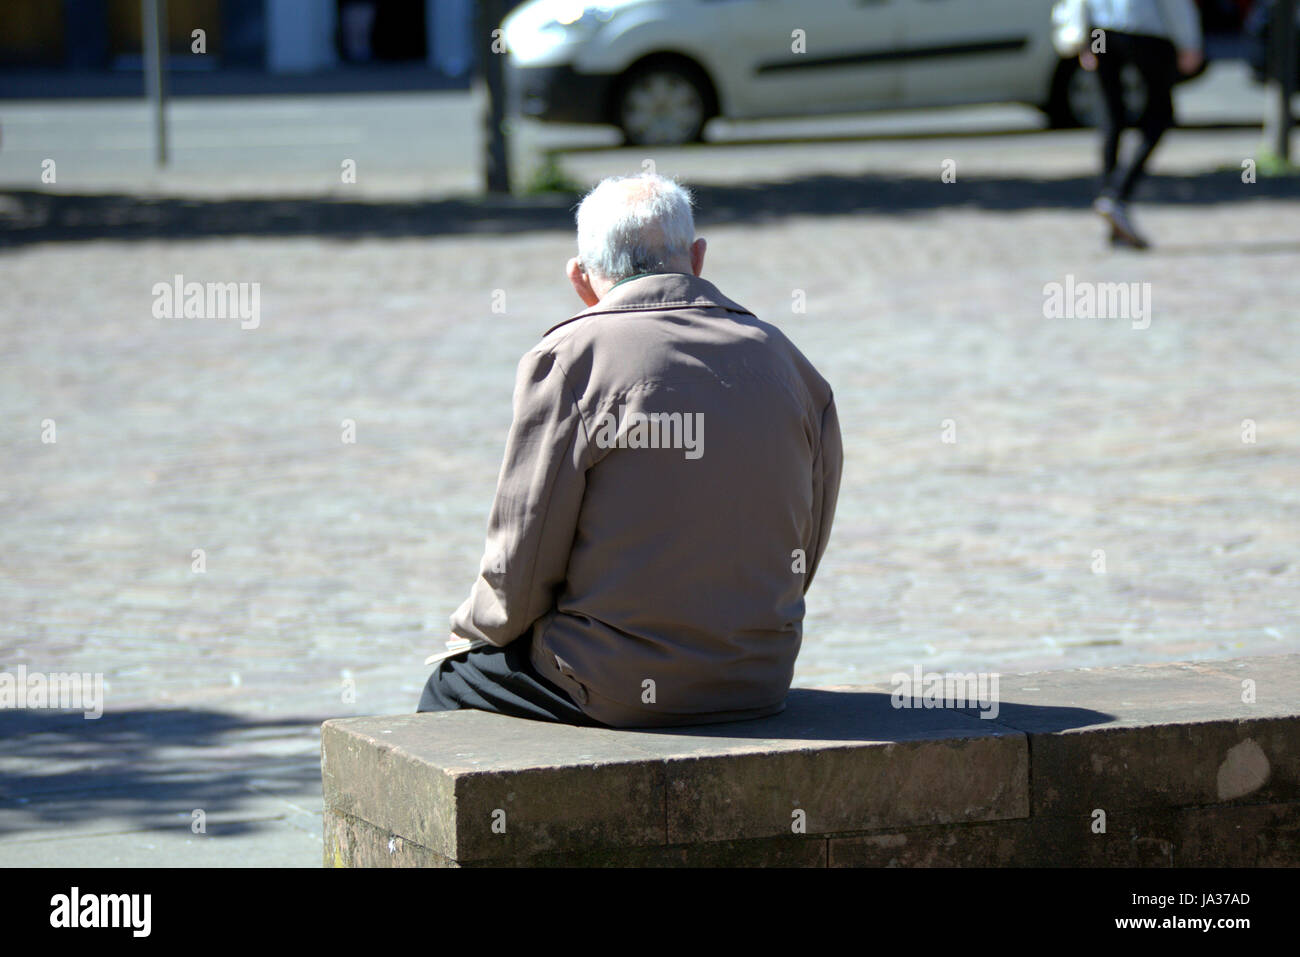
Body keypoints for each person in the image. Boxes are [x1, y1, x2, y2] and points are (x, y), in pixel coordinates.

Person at [417, 172, 843, 728]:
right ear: (697, 256)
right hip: (760, 674)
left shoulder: (570, 360)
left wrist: (469, 633)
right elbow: (806, 544)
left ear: (580, 278)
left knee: (448, 689)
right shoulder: (787, 359)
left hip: (613, 681)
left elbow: (523, 561)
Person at [1080, 0, 1204, 248]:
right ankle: (1116, 196)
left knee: (1111, 118)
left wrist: (1085, 40)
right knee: (1160, 115)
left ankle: (1111, 206)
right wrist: (1189, 42)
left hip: (1101, 32)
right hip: (1143, 30)